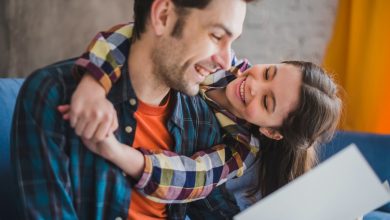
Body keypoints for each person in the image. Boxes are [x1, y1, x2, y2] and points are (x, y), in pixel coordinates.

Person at [11, 0, 255, 219]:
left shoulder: (202, 123)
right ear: (163, 16)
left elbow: (215, 210)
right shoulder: (52, 95)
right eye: (216, 36)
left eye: (231, 43)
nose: (226, 61)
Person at [61, 24, 342, 211]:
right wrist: (94, 85)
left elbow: (190, 178)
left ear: (271, 132)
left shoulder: (240, 151)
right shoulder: (222, 59)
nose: (254, 86)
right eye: (269, 73)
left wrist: (114, 151)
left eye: (267, 102)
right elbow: (141, 34)